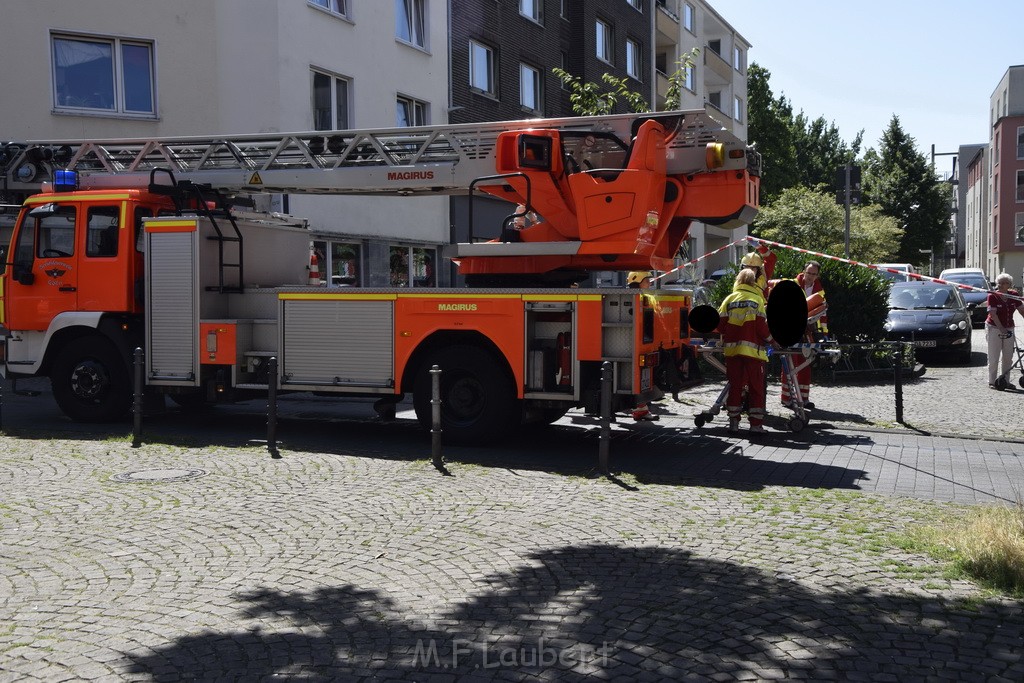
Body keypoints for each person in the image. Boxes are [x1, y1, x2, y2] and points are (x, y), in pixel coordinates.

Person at [718, 268, 775, 433]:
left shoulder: (729, 299)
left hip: (733, 352)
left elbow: (720, 325)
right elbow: (761, 328)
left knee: (735, 387)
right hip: (753, 353)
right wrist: (772, 341)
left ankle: (734, 423)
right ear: (753, 282)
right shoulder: (757, 299)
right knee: (756, 388)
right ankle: (755, 425)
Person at [781, 260, 828, 409]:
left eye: (814, 274)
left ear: (817, 275)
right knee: (790, 363)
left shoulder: (819, 291)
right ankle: (786, 398)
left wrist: (824, 333)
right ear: (803, 271)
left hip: (808, 331)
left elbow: (823, 314)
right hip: (790, 329)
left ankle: (804, 399)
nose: (810, 277)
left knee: (805, 365)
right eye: (809, 273)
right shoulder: (792, 284)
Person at [627, 271, 658, 421]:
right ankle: (640, 409)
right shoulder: (634, 298)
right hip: (633, 346)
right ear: (637, 281)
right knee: (637, 376)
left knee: (641, 376)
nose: (650, 283)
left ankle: (641, 409)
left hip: (641, 343)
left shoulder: (642, 297)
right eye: (647, 281)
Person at [986, 272, 1023, 389]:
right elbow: (993, 314)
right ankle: (992, 381)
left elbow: (1022, 310)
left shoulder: (1014, 295)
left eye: (1005, 283)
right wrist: (1001, 328)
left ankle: (1005, 381)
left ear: (1009, 284)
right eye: (1000, 283)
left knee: (1008, 356)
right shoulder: (992, 295)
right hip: (994, 327)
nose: (1002, 285)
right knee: (994, 356)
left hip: (1009, 327)